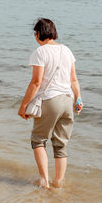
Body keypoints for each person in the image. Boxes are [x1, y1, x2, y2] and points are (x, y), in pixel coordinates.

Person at [18, 18, 83, 189]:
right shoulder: (67, 50)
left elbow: (36, 83)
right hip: (68, 101)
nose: (35, 36)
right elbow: (74, 79)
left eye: (35, 33)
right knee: (61, 144)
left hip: (50, 100)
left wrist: (23, 105)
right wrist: (79, 98)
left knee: (38, 140)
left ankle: (44, 181)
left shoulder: (40, 52)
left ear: (39, 33)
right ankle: (58, 183)